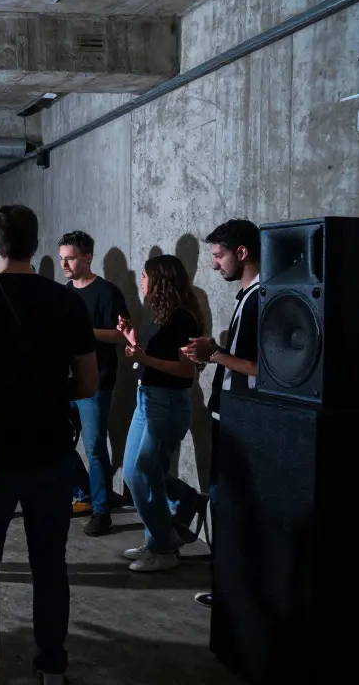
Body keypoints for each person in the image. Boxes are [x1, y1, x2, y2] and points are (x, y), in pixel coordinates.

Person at [0, 204, 97, 685]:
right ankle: (51, 666)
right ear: (36, 244)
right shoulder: (67, 301)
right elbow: (88, 384)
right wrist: (47, 397)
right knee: (50, 566)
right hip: (51, 454)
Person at [181, 219, 261, 607]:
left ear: (241, 253)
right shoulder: (248, 296)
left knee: (234, 506)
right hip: (230, 415)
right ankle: (229, 585)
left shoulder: (265, 298)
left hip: (247, 422)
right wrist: (214, 349)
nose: (214, 265)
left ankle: (236, 590)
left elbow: (266, 370)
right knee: (224, 503)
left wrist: (213, 354)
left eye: (218, 256)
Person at [119, 255, 204, 573]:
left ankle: (164, 548)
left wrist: (145, 359)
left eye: (145, 276)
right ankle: (183, 505)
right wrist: (131, 338)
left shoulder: (183, 319)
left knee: (143, 474)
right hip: (146, 399)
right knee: (133, 473)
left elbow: (186, 372)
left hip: (166, 404)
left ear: (160, 281)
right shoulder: (161, 314)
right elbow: (149, 355)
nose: (142, 280)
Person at [58, 231, 131, 536]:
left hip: (97, 380)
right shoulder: (63, 292)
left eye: (70, 257)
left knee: (94, 447)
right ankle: (86, 494)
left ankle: (102, 511)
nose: (65, 264)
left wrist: (83, 331)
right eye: (62, 258)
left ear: (87, 257)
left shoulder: (107, 292)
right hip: (64, 380)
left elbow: (120, 334)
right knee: (59, 441)